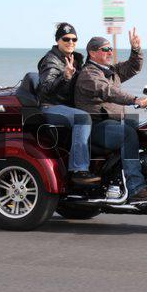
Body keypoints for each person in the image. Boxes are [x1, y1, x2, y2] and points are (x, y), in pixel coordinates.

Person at [74, 29, 147, 201]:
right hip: (96, 126)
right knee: (127, 134)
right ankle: (136, 188)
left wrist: (136, 49)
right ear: (92, 53)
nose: (110, 52)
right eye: (105, 49)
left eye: (111, 49)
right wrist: (135, 100)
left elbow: (133, 67)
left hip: (113, 122)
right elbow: (109, 91)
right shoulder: (89, 74)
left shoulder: (111, 71)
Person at [37, 23, 100, 185]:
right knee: (82, 118)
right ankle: (79, 170)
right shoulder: (50, 60)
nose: (70, 42)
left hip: (68, 108)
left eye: (74, 39)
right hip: (50, 107)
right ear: (58, 40)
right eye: (66, 39)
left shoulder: (77, 59)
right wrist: (64, 77)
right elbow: (46, 88)